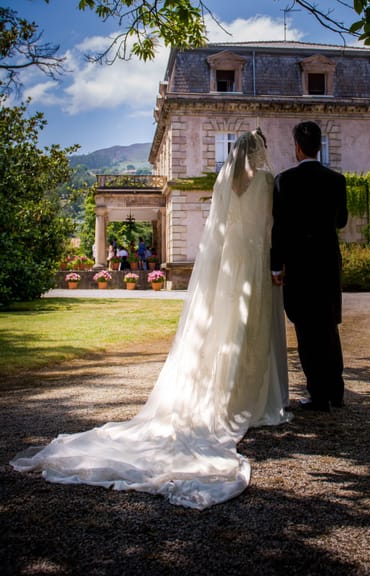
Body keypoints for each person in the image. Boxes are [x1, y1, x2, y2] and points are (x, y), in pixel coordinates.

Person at [11, 129, 291, 510]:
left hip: (229, 266)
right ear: (259, 153)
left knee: (225, 327)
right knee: (250, 327)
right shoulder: (268, 181)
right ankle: (253, 397)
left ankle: (229, 393)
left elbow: (219, 231)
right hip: (256, 264)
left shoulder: (225, 179)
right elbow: (272, 226)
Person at [271, 121, 348, 413]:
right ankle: (336, 392)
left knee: (306, 331)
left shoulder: (284, 181)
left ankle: (318, 395)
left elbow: (278, 228)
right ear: (319, 146)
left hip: (299, 266)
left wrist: (276, 265)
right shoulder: (336, 180)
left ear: (298, 147)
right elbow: (341, 221)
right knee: (328, 327)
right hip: (327, 263)